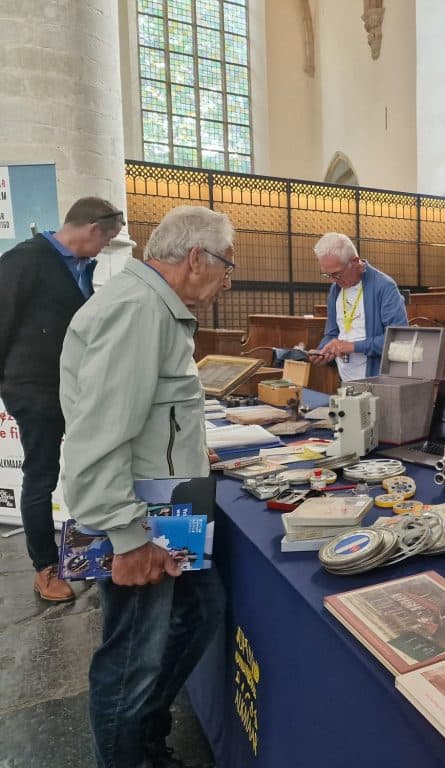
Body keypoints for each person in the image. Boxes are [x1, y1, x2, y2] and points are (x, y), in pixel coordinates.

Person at [60, 205, 233, 768]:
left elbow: (144, 412)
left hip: (163, 503)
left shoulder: (154, 306)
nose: (227, 280)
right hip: (136, 516)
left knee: (201, 609)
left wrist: (183, 443)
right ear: (196, 258)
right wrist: (126, 538)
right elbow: (97, 436)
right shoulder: (138, 310)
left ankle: (145, 733)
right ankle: (128, 755)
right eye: (226, 265)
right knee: (131, 652)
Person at [0, 196, 123, 602]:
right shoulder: (26, 259)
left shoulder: (81, 267)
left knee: (94, 464)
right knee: (42, 476)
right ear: (92, 229)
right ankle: (45, 567)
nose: (105, 249)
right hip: (34, 390)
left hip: (77, 388)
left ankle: (89, 552)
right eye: (107, 241)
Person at [308, 232, 408, 379]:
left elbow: (399, 339)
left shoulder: (384, 286)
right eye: (327, 275)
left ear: (355, 262)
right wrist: (323, 350)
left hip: (377, 382)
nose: (332, 281)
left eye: (336, 274)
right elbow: (333, 333)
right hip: (346, 380)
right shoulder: (336, 290)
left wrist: (353, 347)